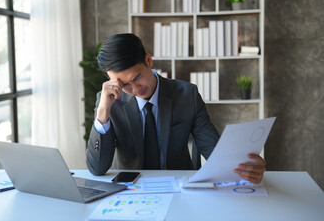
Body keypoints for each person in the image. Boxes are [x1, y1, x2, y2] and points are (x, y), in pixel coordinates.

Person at [86, 33, 266, 184]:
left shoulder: (187, 95)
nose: (135, 88)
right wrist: (103, 113)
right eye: (124, 84)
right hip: (130, 192)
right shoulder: (109, 102)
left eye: (137, 77)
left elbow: (212, 149)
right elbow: (97, 168)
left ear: (148, 60)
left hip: (179, 187)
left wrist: (244, 167)